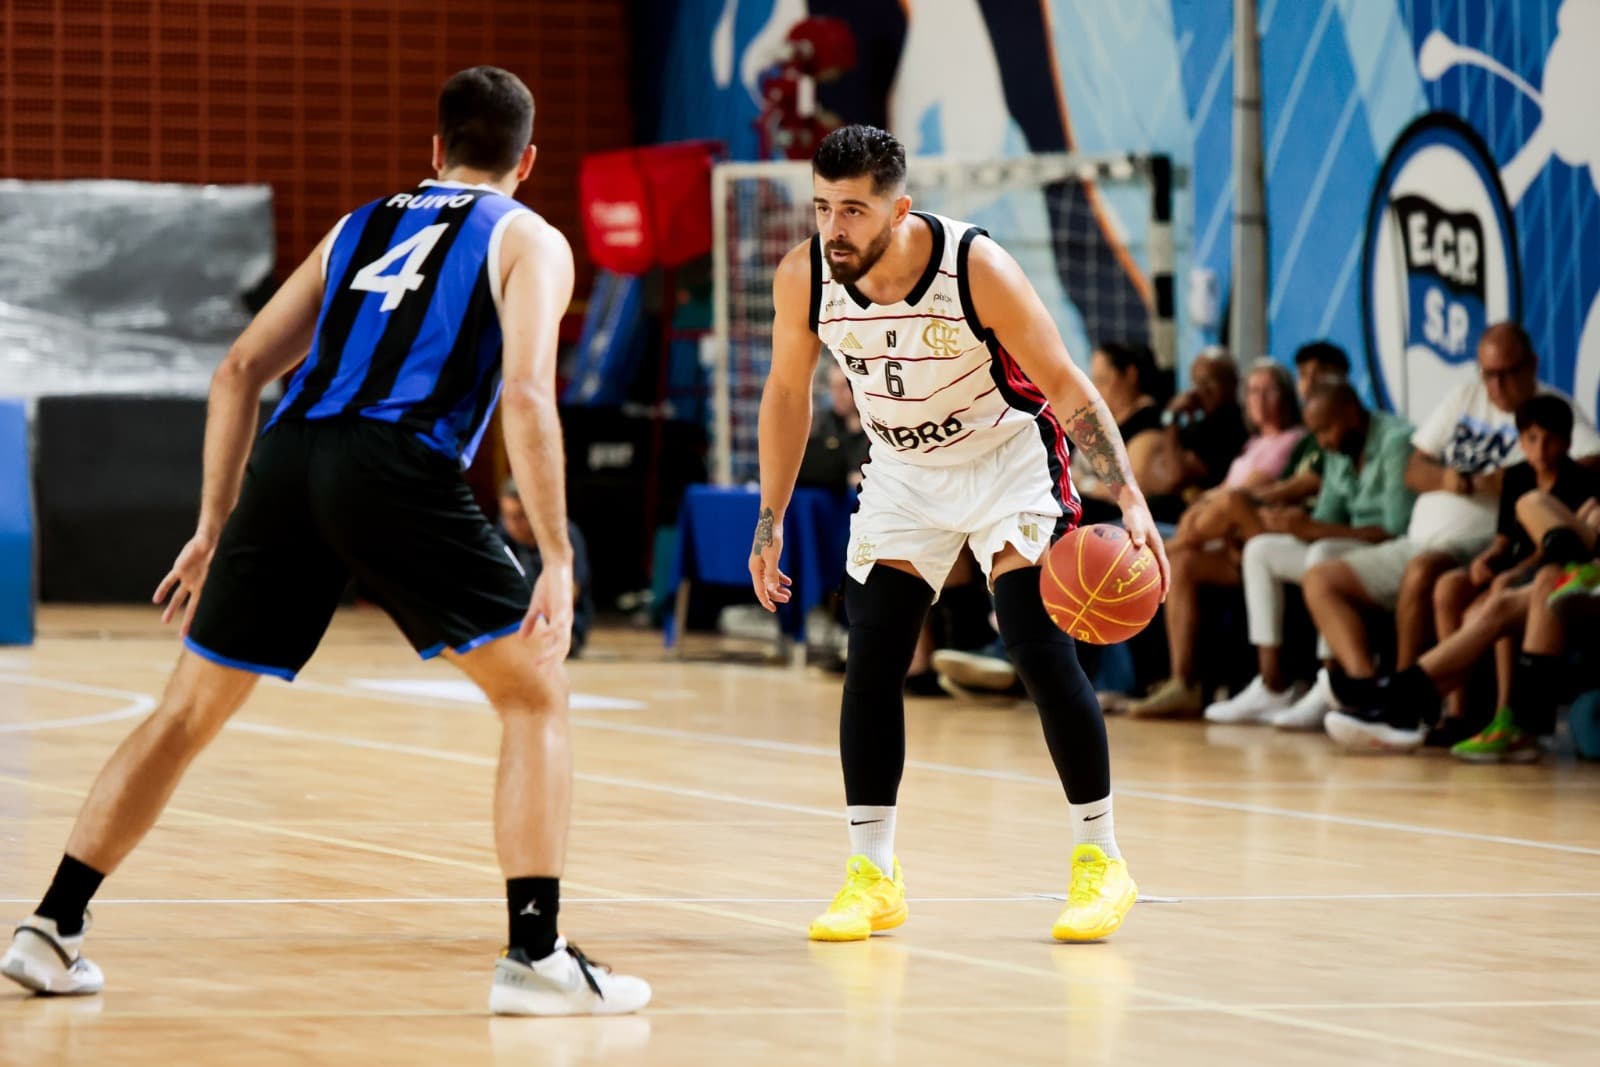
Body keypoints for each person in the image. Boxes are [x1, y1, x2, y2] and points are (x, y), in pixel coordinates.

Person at [0, 68, 649, 1016]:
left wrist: (213, 524)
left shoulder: (357, 226)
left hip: (290, 457)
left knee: (184, 711)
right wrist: (556, 551)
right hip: (395, 461)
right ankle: (536, 955)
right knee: (535, 693)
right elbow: (524, 393)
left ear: (435, 150)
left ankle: (51, 927)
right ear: (529, 161)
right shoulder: (529, 238)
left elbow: (238, 368)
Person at [750, 125, 1168, 944]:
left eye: (854, 211)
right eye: (823, 208)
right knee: (873, 654)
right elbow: (787, 394)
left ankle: (1102, 858)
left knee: (1035, 642)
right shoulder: (804, 278)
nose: (834, 228)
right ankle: (873, 875)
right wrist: (772, 517)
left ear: (900, 210)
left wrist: (1127, 492)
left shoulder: (974, 267)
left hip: (1006, 458)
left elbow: (1063, 381)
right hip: (904, 471)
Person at [1311, 324, 1600, 744]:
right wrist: (1467, 486)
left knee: (1527, 567)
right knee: (1502, 593)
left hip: (1532, 559)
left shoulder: (1556, 416)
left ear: (1531, 366)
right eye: (1489, 374)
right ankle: (1391, 698)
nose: (1496, 385)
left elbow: (1589, 467)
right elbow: (1416, 469)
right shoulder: (1468, 400)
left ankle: (1406, 706)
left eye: (1508, 373)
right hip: (1524, 558)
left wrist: (1529, 541)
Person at [1202, 382, 1414, 727]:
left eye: (1327, 429)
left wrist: (1313, 530)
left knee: (1323, 553)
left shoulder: (1395, 442)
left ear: (1352, 413)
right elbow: (1327, 516)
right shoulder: (1337, 449)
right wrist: (1290, 524)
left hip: (1390, 551)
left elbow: (1397, 529)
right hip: (1347, 545)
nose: (1323, 441)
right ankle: (1272, 686)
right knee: (1261, 550)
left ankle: (1330, 685)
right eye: (1317, 432)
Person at [499, 478, 594, 658]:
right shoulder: (502, 537)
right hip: (514, 621)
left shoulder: (565, 535)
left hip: (559, 622)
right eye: (507, 516)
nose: (514, 524)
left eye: (520, 516)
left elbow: (572, 590)